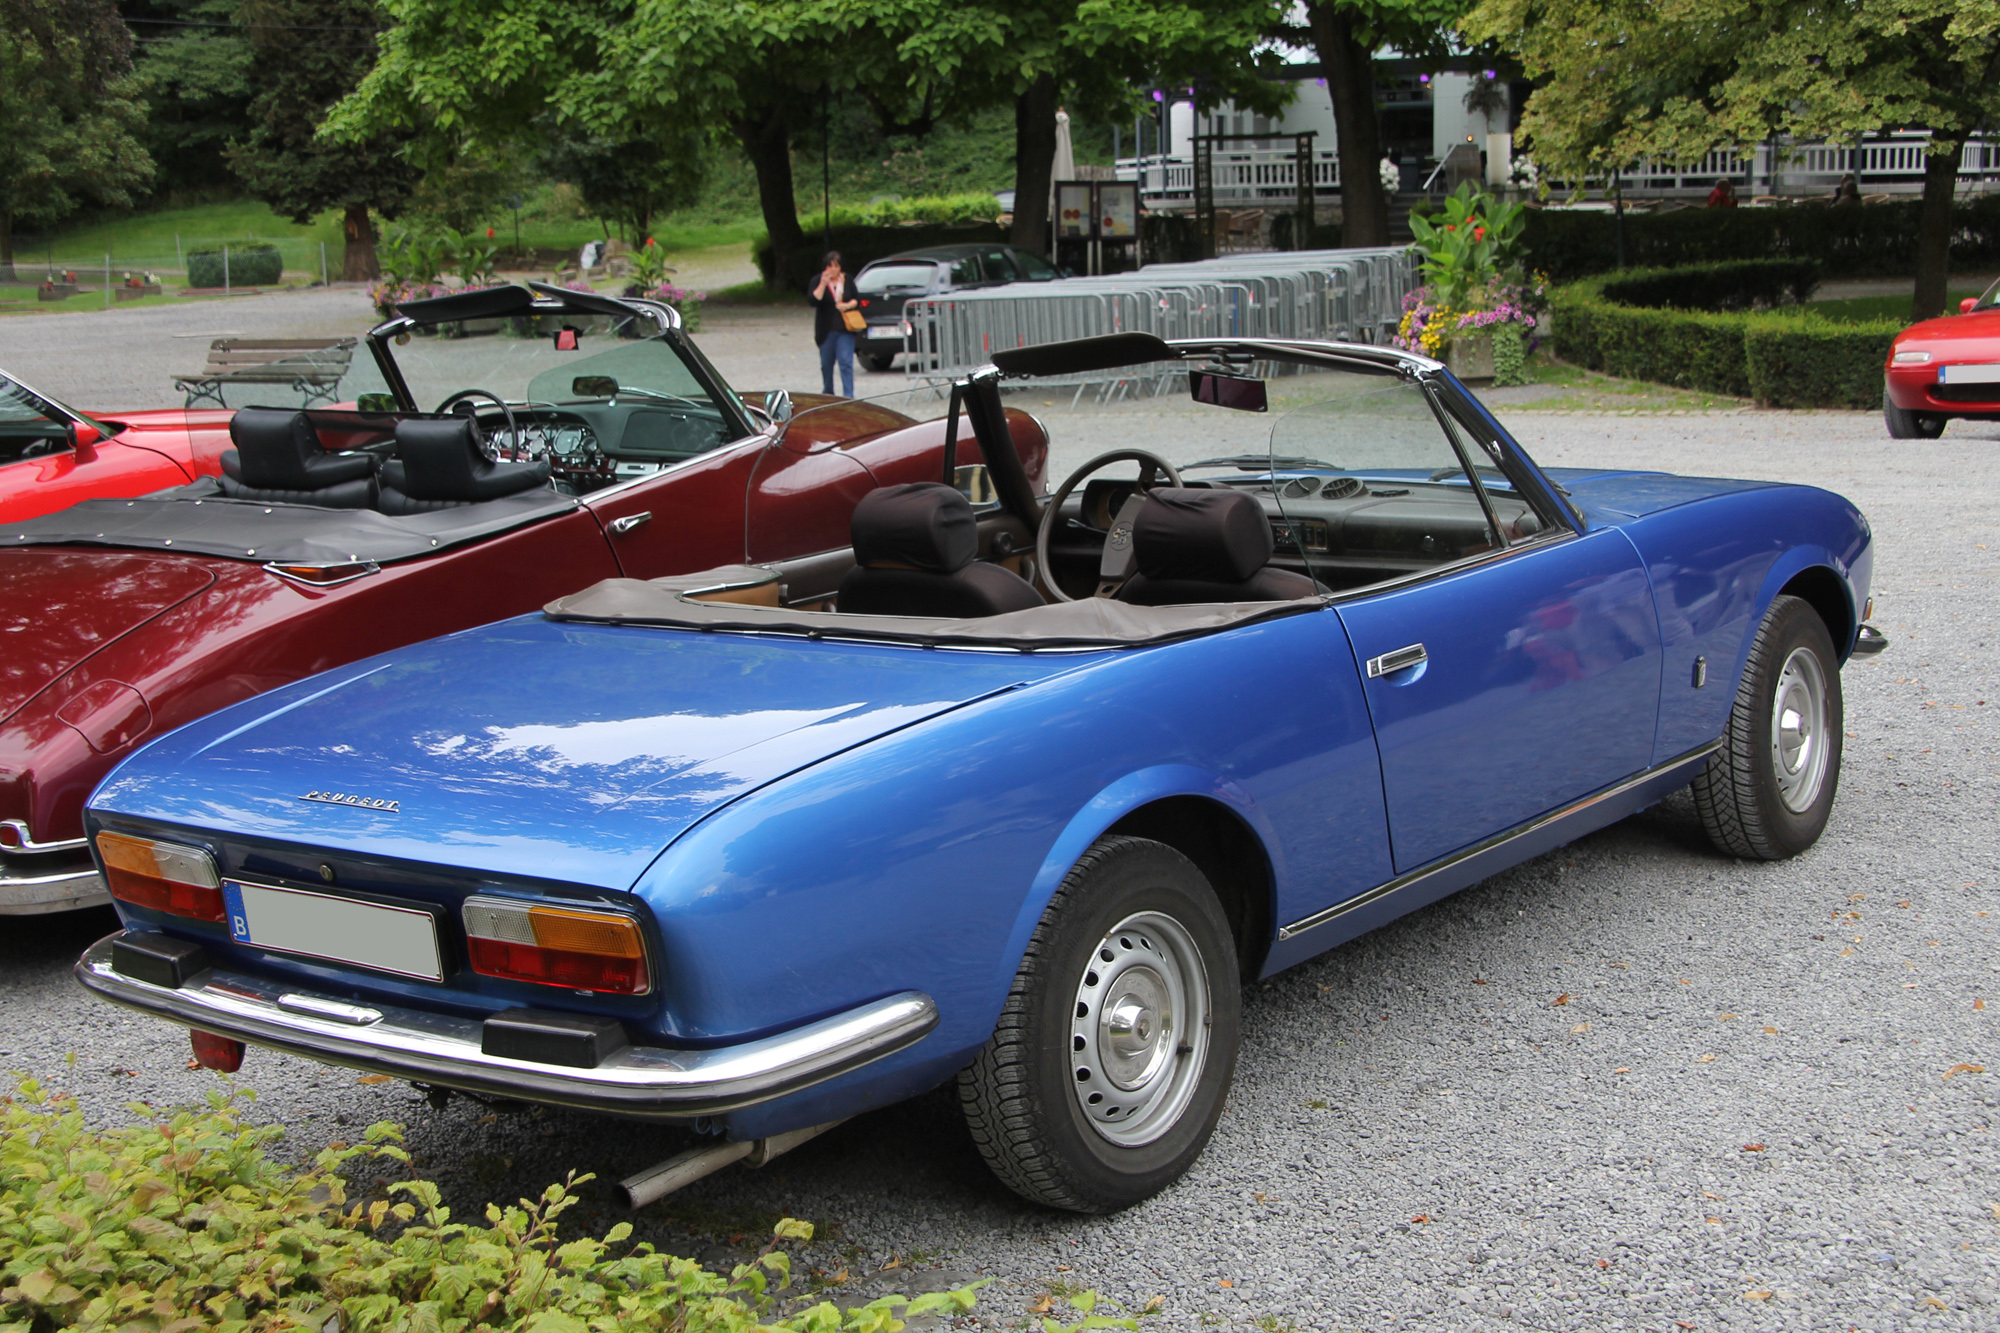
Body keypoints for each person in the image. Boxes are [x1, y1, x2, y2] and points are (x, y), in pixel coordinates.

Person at [809, 251, 859, 398]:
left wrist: (847, 305)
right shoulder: (817, 280)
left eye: (836, 266)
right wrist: (824, 283)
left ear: (840, 267)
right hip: (826, 330)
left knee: (846, 362)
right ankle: (828, 392)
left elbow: (856, 299)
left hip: (845, 328)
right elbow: (813, 300)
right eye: (829, 266)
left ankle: (849, 396)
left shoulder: (847, 280)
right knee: (826, 364)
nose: (833, 270)